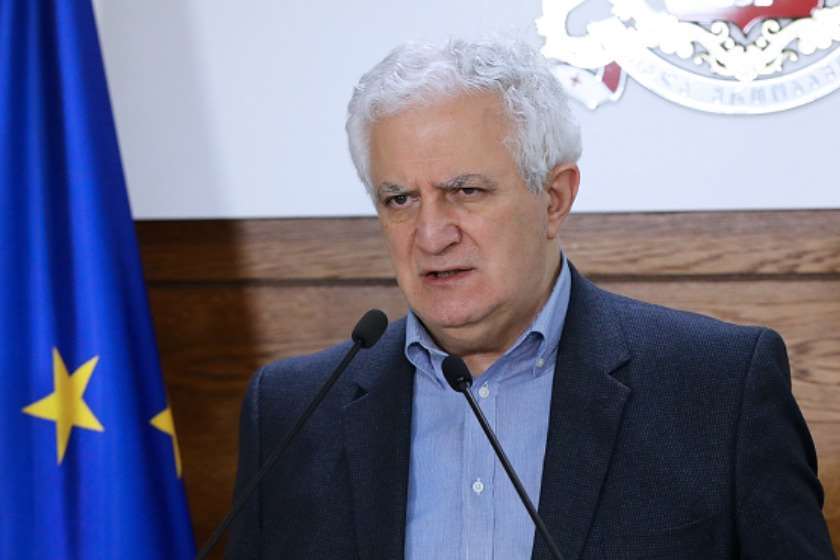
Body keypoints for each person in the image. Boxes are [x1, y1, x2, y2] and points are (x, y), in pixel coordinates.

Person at [226, 39, 835, 559]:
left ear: (554, 198)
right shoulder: (290, 411)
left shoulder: (717, 387)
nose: (431, 235)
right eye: (399, 200)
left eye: (465, 190)